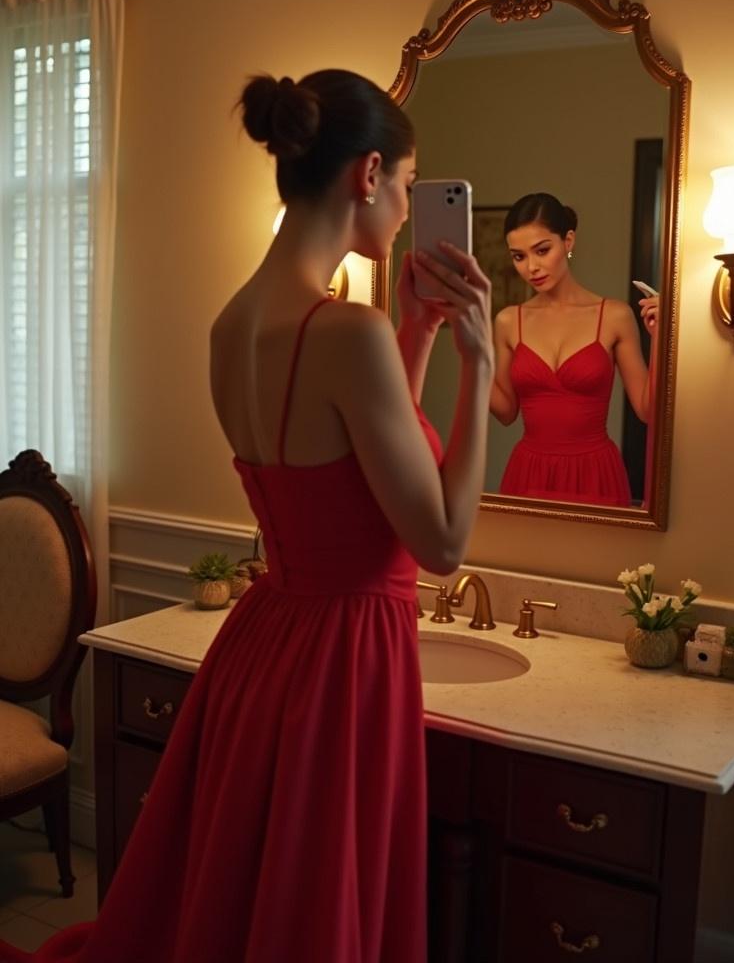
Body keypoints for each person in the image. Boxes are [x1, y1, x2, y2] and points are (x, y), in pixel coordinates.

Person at [0, 70, 493, 963]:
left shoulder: (233, 325)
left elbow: (352, 482)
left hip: (266, 643)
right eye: (410, 188)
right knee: (311, 898)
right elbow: (442, 542)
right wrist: (483, 363)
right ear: (369, 173)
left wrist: (415, 336)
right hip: (347, 655)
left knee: (250, 890)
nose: (409, 212)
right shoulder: (347, 334)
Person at [491, 192, 658, 506]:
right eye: (519, 256)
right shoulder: (508, 321)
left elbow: (648, 410)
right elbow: (505, 412)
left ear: (568, 241)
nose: (532, 267)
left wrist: (662, 338)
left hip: (594, 472)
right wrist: (472, 353)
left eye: (542, 250)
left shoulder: (614, 316)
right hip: (529, 472)